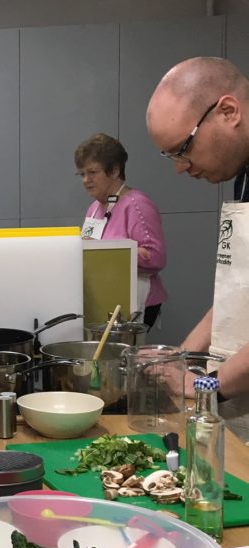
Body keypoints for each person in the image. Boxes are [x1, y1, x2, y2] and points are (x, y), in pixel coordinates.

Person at [146, 56, 249, 441]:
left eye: (182, 148)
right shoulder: (244, 174)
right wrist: (180, 356)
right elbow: (240, 294)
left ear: (228, 111)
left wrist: (203, 386)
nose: (180, 167)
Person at [75, 133, 168, 329]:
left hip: (136, 300)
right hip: (105, 299)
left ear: (115, 171)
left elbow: (155, 257)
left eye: (92, 172)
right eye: (82, 174)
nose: (85, 180)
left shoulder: (137, 204)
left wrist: (107, 252)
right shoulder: (94, 208)